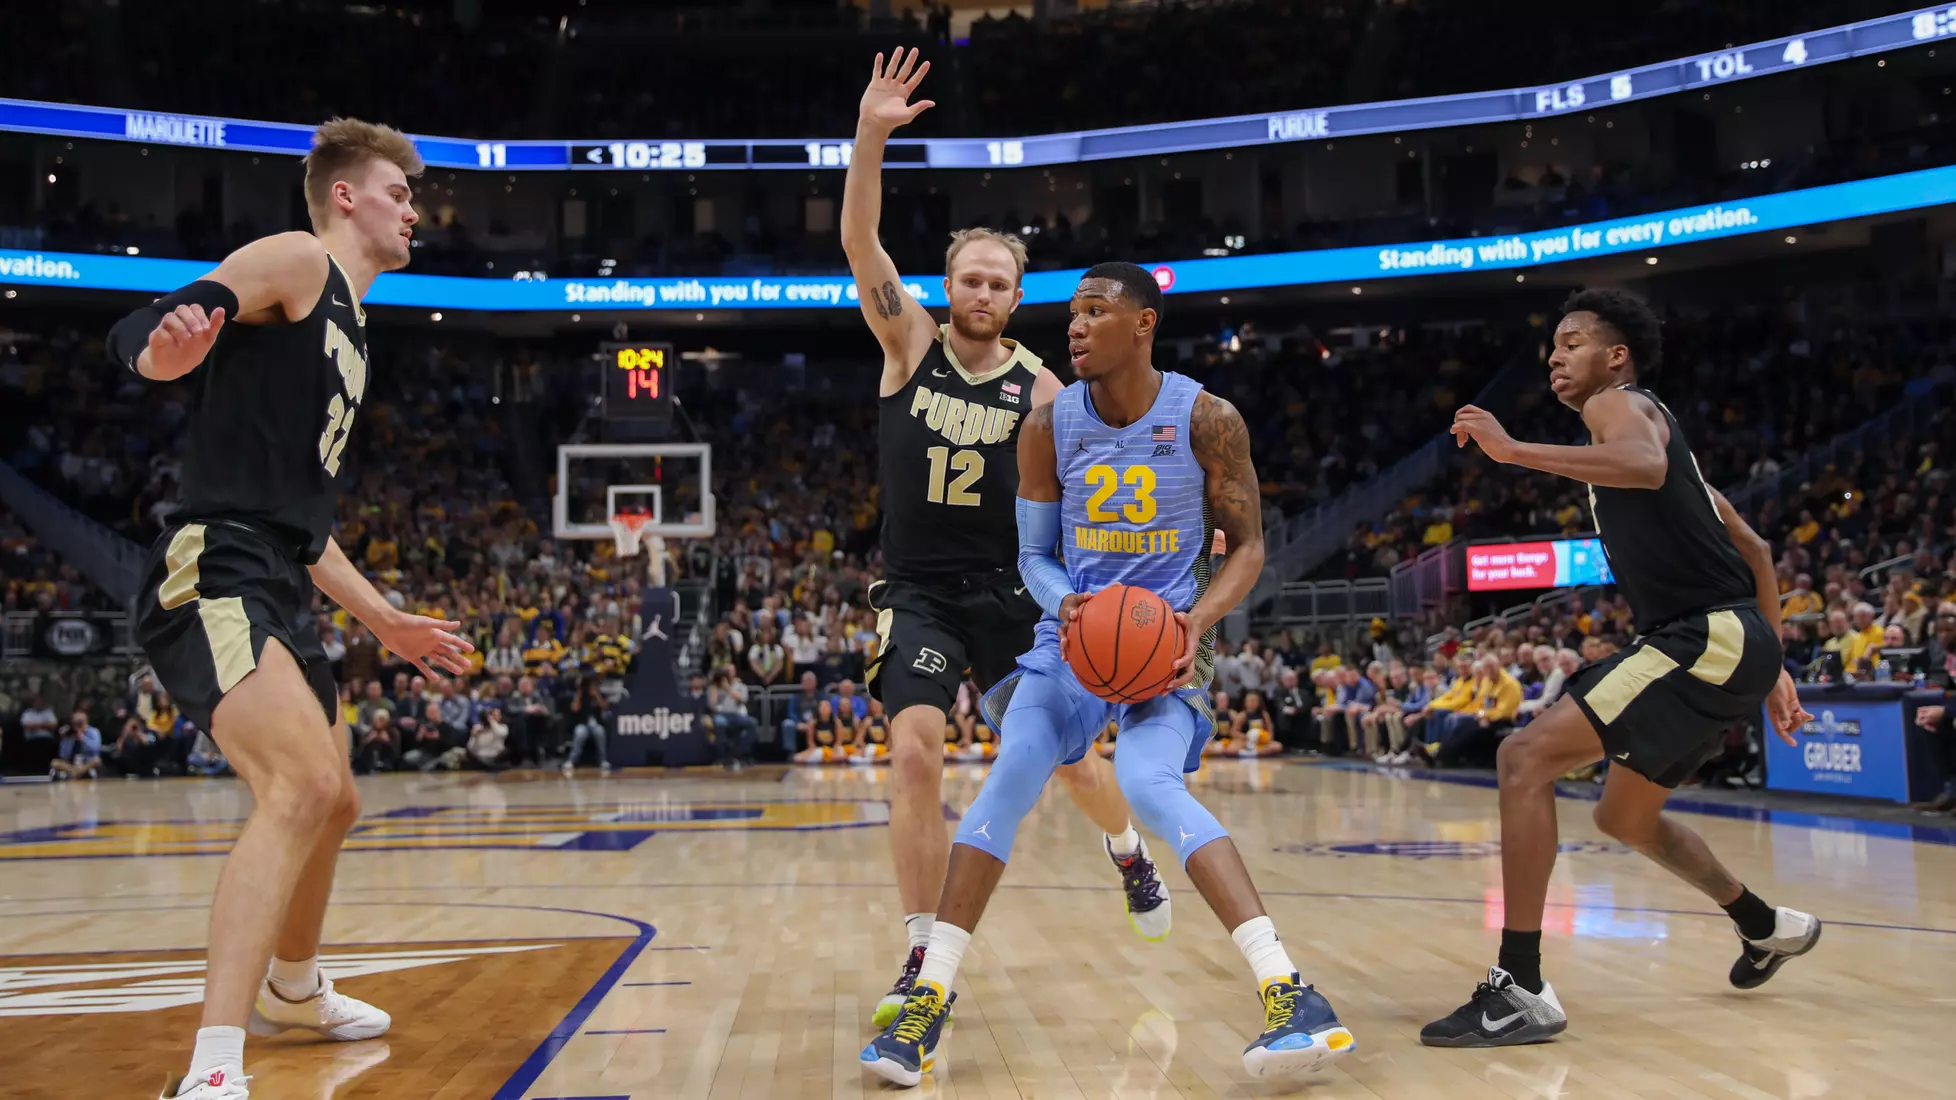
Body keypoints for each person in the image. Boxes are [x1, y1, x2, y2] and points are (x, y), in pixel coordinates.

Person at [863, 263, 1355, 1087]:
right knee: (1014, 766)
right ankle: (929, 999)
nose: (1078, 325)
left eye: (1098, 310)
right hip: (1074, 637)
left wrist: (1194, 623)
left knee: (1148, 780)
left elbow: (1252, 547)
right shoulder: (1046, 425)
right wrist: (1070, 609)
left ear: (1144, 325)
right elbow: (1032, 555)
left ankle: (1290, 993)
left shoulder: (1208, 418)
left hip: (1166, 639)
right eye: (1074, 312)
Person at [111, 119, 469, 1099]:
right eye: (400, 191)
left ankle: (297, 987)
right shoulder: (300, 258)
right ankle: (214, 1067)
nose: (415, 208)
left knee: (338, 797)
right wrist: (164, 350)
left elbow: (305, 527)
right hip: (213, 565)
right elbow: (151, 329)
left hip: (276, 569)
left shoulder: (354, 326)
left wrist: (385, 617)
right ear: (347, 195)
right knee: (302, 786)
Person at [843, 48, 1167, 1028]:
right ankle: (919, 948)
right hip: (921, 591)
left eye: (997, 283)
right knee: (913, 751)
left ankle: (1128, 852)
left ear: (1015, 299)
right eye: (969, 278)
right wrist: (870, 134)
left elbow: (1093, 505)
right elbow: (861, 240)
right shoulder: (906, 344)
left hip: (1018, 595)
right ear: (946, 287)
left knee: (1072, 763)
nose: (981, 292)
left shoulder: (1049, 391)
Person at [1430, 288, 1817, 1046]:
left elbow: (1637, 463)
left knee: (1523, 758)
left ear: (1616, 356)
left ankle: (1523, 986)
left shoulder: (1620, 405)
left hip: (1701, 635)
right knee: (1623, 817)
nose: (1555, 354)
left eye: (1571, 341)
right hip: (1732, 639)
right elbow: (1755, 549)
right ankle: (1764, 924)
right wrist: (1771, 664)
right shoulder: (1672, 452)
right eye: (1552, 346)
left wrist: (1511, 451)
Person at [563, 677, 613, 776]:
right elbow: (574, 709)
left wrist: (596, 695)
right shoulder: (580, 696)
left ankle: (603, 760)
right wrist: (579, 693)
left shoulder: (600, 695)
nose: (591, 687)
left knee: (600, 732)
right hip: (582, 724)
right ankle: (571, 761)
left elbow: (604, 706)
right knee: (580, 733)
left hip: (596, 724)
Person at [51, 709, 103, 779]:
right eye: (76, 723)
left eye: (81, 723)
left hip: (86, 762)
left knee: (97, 760)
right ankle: (76, 772)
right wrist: (64, 738)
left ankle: (77, 773)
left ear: (86, 722)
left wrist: (82, 737)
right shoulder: (69, 733)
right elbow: (63, 755)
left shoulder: (93, 732)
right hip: (71, 764)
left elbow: (96, 749)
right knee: (54, 763)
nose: (78, 725)